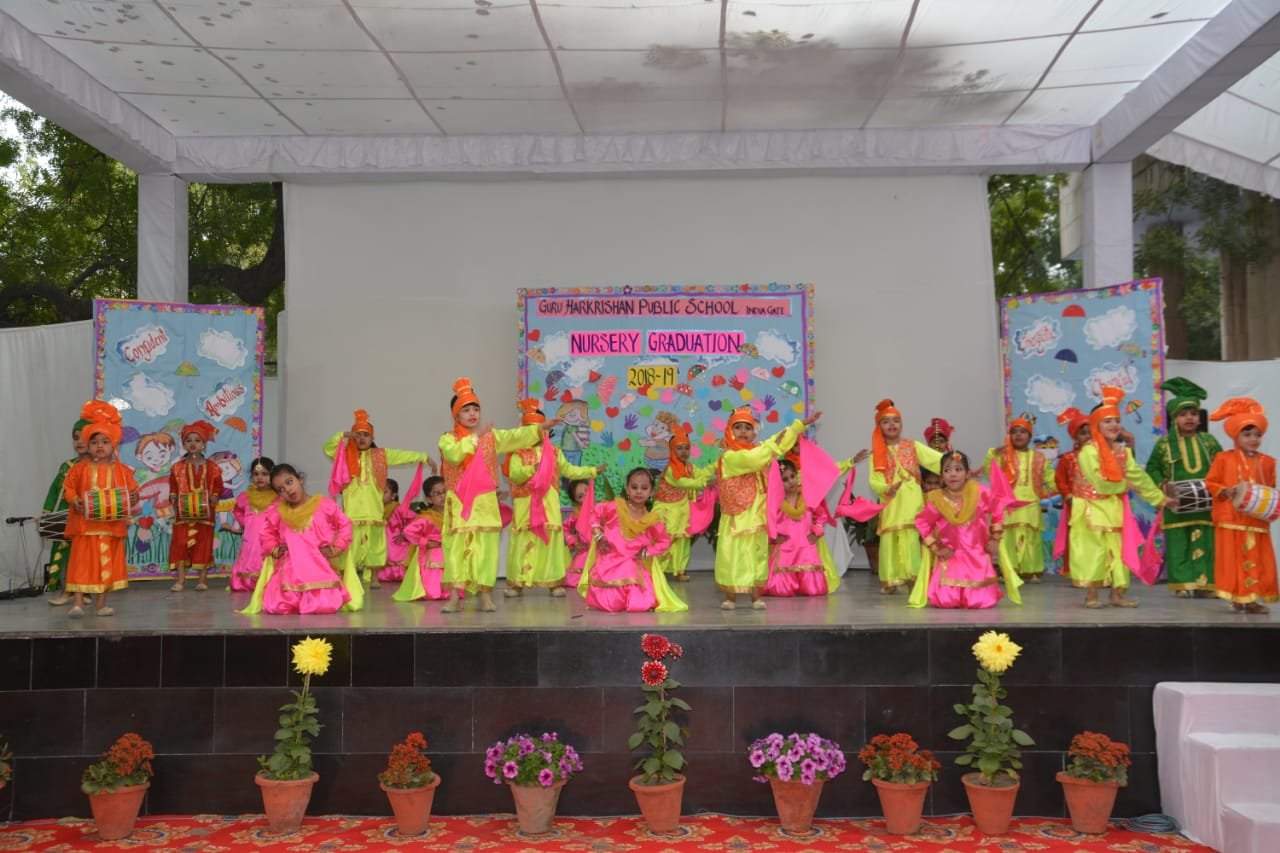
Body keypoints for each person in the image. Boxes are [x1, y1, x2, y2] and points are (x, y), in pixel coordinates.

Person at [439, 378, 549, 613]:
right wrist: (475, 437)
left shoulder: (491, 437)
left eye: (475, 409)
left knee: (486, 550)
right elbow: (455, 455)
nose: (472, 414)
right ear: (456, 415)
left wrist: (539, 428)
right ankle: (454, 597)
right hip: (459, 503)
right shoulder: (448, 439)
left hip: (485, 502)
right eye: (466, 410)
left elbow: (514, 437)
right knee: (456, 549)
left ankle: (486, 595)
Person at [715, 407, 820, 610]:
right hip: (737, 517)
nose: (743, 431)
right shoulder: (730, 456)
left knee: (758, 556)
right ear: (729, 430)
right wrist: (777, 442)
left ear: (753, 432)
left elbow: (774, 447)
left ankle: (756, 597)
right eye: (738, 427)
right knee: (733, 556)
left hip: (757, 516)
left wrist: (798, 427)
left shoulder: (758, 450)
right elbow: (755, 459)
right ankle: (730, 598)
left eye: (748, 428)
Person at [1071, 387, 1166, 608]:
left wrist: (1159, 498)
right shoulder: (1088, 451)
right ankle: (1092, 595)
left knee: (1120, 550)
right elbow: (1099, 482)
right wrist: (1125, 485)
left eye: (1117, 421)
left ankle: (1117, 594)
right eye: (1108, 421)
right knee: (1095, 550)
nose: (1114, 425)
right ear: (1096, 426)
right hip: (1091, 506)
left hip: (1115, 506)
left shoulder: (1122, 451)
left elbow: (1138, 476)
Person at [323, 409, 436, 586]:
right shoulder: (344, 455)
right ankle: (348, 577)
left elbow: (401, 455)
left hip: (373, 510)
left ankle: (374, 577)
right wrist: (344, 435)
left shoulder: (380, 456)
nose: (361, 438)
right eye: (358, 435)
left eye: (366, 435)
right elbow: (328, 448)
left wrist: (424, 457)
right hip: (352, 511)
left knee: (375, 546)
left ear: (372, 438)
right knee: (350, 546)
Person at [503, 399, 601, 597]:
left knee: (549, 543)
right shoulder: (518, 453)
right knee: (523, 542)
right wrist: (533, 468)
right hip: (525, 507)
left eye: (539, 428)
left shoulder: (554, 452)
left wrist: (592, 471)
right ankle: (517, 583)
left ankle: (553, 583)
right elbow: (515, 475)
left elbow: (569, 470)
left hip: (548, 506)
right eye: (530, 429)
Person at [241, 463, 363, 615]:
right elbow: (266, 533)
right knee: (276, 606)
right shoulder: (278, 512)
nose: (288, 490)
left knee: (324, 605)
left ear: (300, 479)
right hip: (289, 570)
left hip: (319, 567)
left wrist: (337, 547)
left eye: (289, 482)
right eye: (281, 489)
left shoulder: (323, 505)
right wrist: (274, 549)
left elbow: (345, 524)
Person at [909, 450, 1018, 609]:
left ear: (967, 474)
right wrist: (936, 547)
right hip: (951, 556)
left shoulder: (980, 492)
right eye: (947, 470)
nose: (953, 474)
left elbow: (997, 510)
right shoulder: (937, 499)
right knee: (946, 601)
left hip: (977, 555)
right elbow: (922, 522)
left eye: (958, 469)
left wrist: (995, 538)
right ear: (942, 476)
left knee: (979, 602)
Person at [1145, 378, 1221, 598]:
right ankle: (1183, 584)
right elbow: (1152, 468)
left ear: (1199, 418)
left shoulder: (1209, 441)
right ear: (1173, 418)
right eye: (1183, 414)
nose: (1189, 418)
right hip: (1176, 504)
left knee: (1207, 542)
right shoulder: (1164, 444)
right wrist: (1163, 485)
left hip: (1206, 505)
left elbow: (1221, 465)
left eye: (1193, 414)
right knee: (1179, 544)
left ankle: (1206, 584)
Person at [62, 401, 139, 618]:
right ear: (88, 445)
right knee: (81, 564)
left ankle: (101, 604)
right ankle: (78, 603)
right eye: (94, 442)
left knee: (107, 565)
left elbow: (132, 492)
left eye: (105, 442)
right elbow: (68, 488)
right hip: (85, 527)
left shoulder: (123, 471)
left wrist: (134, 496)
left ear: (114, 445)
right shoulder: (79, 469)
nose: (99, 446)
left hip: (110, 527)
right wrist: (74, 499)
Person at [579, 467, 685, 613]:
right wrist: (599, 537)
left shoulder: (651, 520)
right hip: (610, 559)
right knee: (611, 603)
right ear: (627, 489)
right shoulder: (616, 507)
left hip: (635, 562)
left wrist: (647, 552)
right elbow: (594, 514)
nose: (639, 491)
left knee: (640, 603)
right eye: (634, 487)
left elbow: (664, 541)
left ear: (652, 492)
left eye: (644, 488)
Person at [1206, 398, 1276, 614]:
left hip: (1255, 520)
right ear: (1235, 436)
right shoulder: (1223, 458)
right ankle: (1239, 598)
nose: (1253, 439)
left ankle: (1252, 599)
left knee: (1256, 558)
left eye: (1257, 435)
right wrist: (1225, 491)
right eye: (1247, 435)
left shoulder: (1268, 462)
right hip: (1230, 518)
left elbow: (1270, 489)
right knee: (1234, 560)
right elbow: (1211, 482)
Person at [868, 399, 942, 594]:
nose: (891, 425)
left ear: (901, 424)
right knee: (890, 539)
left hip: (912, 501)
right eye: (886, 422)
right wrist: (887, 488)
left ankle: (913, 577)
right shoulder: (876, 453)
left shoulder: (912, 445)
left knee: (911, 538)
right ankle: (890, 579)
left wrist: (955, 462)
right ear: (879, 426)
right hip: (892, 501)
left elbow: (935, 459)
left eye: (896, 421)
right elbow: (874, 481)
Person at [984, 416, 1054, 583]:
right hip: (1008, 505)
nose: (1018, 435)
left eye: (1023, 432)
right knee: (1008, 538)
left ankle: (1032, 571)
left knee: (1031, 538)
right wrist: (993, 454)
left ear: (1029, 436)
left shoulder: (1039, 457)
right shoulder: (1002, 455)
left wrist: (1066, 489)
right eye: (1014, 432)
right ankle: (1009, 570)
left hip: (1031, 503)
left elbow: (1051, 478)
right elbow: (990, 471)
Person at [763, 458, 840, 597]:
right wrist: (774, 537)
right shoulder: (775, 502)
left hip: (806, 546)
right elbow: (767, 521)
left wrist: (816, 532)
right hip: (785, 547)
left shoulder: (807, 497)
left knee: (813, 589)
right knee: (781, 590)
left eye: (793, 476)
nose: (791, 481)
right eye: (785, 479)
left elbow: (821, 515)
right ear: (777, 483)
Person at [651, 425, 715, 582]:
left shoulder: (690, 467)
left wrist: (717, 465)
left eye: (687, 448)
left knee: (682, 541)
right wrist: (704, 483)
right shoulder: (671, 469)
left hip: (682, 510)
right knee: (666, 540)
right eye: (679, 448)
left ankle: (679, 570)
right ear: (672, 451)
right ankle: (656, 570)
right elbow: (682, 482)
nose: (684, 452)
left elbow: (702, 474)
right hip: (667, 511)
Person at [168, 420, 223, 592]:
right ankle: (181, 580)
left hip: (205, 513)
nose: (193, 444)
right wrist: (173, 497)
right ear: (184, 444)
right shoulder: (177, 468)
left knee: (203, 544)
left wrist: (214, 496)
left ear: (204, 444)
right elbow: (173, 487)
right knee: (180, 544)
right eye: (189, 440)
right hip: (183, 514)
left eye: (197, 440)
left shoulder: (213, 467)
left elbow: (218, 486)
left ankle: (202, 580)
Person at [44, 417, 91, 604]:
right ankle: (66, 591)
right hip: (67, 518)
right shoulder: (67, 466)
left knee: (86, 556)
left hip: (89, 520)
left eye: (84, 438)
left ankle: (85, 592)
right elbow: (55, 490)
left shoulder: (99, 467)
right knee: (65, 555)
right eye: (75, 438)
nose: (79, 442)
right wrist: (47, 512)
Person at [393, 476, 453, 602]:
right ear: (429, 499)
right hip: (432, 556)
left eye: (445, 492)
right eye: (437, 494)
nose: (443, 496)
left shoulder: (453, 515)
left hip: (450, 554)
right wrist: (426, 543)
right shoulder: (427, 517)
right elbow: (408, 532)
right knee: (432, 592)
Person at [225, 456, 276, 592]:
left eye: (265, 474)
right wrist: (246, 523)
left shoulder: (278, 497)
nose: (260, 477)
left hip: (269, 539)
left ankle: (266, 582)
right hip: (250, 538)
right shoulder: (245, 496)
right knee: (249, 557)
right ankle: (246, 583)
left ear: (272, 475)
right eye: (256, 474)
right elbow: (238, 511)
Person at [1053, 407, 1090, 578]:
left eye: (1091, 433)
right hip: (1075, 505)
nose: (1088, 437)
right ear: (1075, 436)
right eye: (1083, 433)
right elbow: (1060, 479)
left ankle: (1100, 573)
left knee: (1098, 537)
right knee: (1076, 537)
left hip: (1099, 505)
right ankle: (1077, 572)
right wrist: (1068, 496)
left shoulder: (1103, 457)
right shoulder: (1067, 458)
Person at [380, 478, 419, 587]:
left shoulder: (399, 509)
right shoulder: (376, 510)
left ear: (393, 495)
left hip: (397, 543)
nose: (380, 495)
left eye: (384, 492)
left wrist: (406, 534)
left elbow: (416, 519)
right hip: (384, 543)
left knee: (396, 559)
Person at [562, 479, 592, 590]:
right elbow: (564, 528)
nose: (585, 497)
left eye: (587, 492)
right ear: (576, 501)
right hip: (585, 552)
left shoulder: (602, 508)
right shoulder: (576, 515)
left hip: (602, 552)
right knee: (573, 579)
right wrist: (574, 541)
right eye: (580, 496)